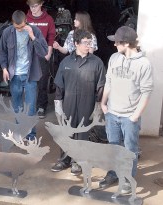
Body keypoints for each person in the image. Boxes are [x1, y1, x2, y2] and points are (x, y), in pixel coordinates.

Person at [99, 26, 153, 194]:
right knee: (113, 146)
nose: (114, 45)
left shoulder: (144, 64)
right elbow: (108, 82)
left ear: (127, 43)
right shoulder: (114, 58)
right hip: (112, 113)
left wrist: (135, 116)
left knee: (130, 149)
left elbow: (146, 92)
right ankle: (114, 173)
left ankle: (128, 178)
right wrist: (103, 103)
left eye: (117, 42)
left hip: (130, 116)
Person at [51, 29, 106, 175]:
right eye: (85, 43)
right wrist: (58, 104)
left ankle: (78, 162)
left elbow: (101, 86)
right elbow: (59, 85)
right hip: (68, 103)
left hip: (86, 104)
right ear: (76, 43)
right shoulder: (66, 62)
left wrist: (98, 106)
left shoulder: (97, 63)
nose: (88, 45)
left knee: (82, 132)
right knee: (66, 131)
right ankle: (64, 160)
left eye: (90, 42)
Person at [0, 10, 48, 140]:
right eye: (16, 27)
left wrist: (32, 36)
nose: (19, 30)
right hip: (14, 75)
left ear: (26, 21)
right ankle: (20, 132)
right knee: (17, 108)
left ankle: (31, 135)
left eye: (21, 27)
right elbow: (3, 52)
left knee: (31, 108)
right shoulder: (7, 33)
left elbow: (43, 52)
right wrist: (4, 68)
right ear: (12, 23)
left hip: (30, 75)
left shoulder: (35, 31)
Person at [26, 0, 56, 119]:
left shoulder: (48, 19)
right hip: (29, 55)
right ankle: (30, 106)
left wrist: (49, 52)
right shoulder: (26, 19)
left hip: (42, 54)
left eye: (35, 6)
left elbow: (51, 37)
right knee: (29, 81)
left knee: (43, 81)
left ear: (41, 4)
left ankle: (41, 106)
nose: (32, 9)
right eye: (30, 6)